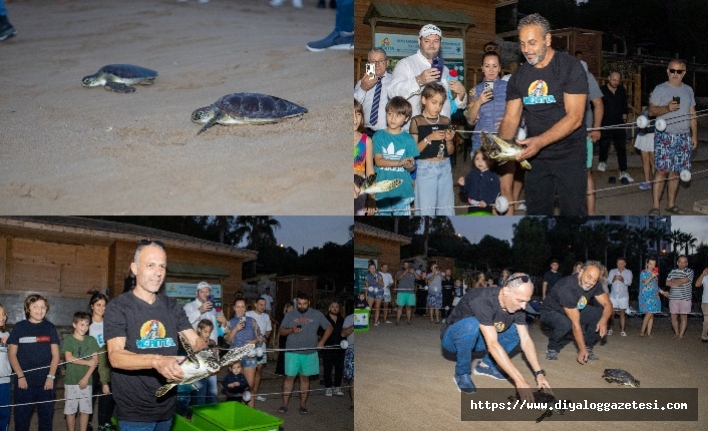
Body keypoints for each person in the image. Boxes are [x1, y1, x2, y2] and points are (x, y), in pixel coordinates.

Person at [105, 240, 205, 431]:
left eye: (162, 266)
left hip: (167, 406)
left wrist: (207, 355)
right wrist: (157, 361)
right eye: (150, 265)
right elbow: (115, 356)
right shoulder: (118, 307)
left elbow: (195, 340)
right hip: (134, 411)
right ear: (135, 268)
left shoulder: (172, 306)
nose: (158, 273)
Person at [497, 13, 588, 216]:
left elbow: (575, 118)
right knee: (537, 213)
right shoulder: (519, 77)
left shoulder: (570, 68)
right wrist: (500, 146)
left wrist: (539, 141)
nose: (526, 50)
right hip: (535, 158)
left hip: (570, 155)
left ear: (548, 39)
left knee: (573, 213)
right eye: (522, 44)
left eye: (532, 43)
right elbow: (511, 118)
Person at [441, 273, 551, 399]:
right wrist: (519, 381)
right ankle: (462, 373)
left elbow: (525, 340)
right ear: (505, 291)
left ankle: (486, 366)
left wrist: (539, 373)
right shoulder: (481, 299)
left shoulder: (518, 306)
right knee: (471, 324)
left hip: (479, 340)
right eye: (520, 300)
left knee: (521, 328)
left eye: (526, 301)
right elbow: (492, 344)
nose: (523, 306)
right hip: (452, 340)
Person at [465, 51, 521, 212]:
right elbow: (470, 120)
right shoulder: (475, 91)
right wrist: (478, 102)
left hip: (504, 143)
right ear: (482, 68)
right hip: (481, 146)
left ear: (500, 68)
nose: (490, 70)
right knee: (483, 194)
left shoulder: (510, 88)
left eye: (494, 66)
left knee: (505, 191)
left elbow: (520, 114)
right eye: (487, 66)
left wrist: (508, 123)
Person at [648, 59, 698, 215]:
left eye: (679, 71)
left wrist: (694, 135)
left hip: (683, 137)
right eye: (672, 71)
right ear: (667, 71)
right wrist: (667, 108)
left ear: (684, 73)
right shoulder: (660, 89)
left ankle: (671, 204)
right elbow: (651, 112)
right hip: (665, 136)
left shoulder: (688, 90)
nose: (675, 74)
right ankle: (656, 206)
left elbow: (692, 114)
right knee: (661, 171)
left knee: (675, 171)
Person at [388, 24, 466, 122]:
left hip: (442, 130)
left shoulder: (446, 70)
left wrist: (461, 94)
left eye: (436, 41)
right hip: (415, 131)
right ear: (419, 41)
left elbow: (450, 105)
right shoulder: (406, 64)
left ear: (441, 43)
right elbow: (392, 92)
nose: (432, 45)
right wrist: (418, 80)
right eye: (427, 41)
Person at [540, 261, 612, 362]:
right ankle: (552, 348)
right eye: (589, 277)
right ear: (581, 272)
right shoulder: (567, 288)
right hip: (550, 311)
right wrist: (581, 349)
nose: (591, 282)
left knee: (598, 314)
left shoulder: (595, 284)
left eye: (595, 279)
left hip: (574, 308)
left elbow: (607, 304)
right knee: (566, 323)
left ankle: (588, 347)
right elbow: (575, 324)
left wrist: (604, 320)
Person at [7, 295, 60, 431]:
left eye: (42, 307)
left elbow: (55, 355)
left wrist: (51, 377)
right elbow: (12, 354)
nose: (39, 310)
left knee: (46, 421)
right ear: (28, 309)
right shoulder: (19, 327)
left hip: (46, 384)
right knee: (21, 420)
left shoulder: (50, 328)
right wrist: (20, 376)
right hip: (23, 384)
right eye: (35, 307)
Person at [278, 292, 333, 415]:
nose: (301, 306)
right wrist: (291, 330)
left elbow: (329, 328)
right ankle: (284, 404)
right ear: (296, 303)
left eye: (304, 304)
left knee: (304, 378)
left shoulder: (316, 314)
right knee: (289, 378)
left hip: (310, 352)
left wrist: (322, 341)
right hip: (292, 352)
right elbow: (281, 331)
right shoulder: (290, 314)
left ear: (309, 302)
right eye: (299, 304)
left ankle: (303, 405)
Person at [409, 82, 455, 216]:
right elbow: (413, 151)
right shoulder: (416, 121)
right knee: (425, 211)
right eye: (434, 102)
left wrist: (449, 140)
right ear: (424, 100)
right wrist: (430, 137)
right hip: (425, 168)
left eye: (441, 103)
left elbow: (450, 151)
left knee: (447, 210)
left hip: (445, 167)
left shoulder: (446, 121)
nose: (438, 107)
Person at [373, 97, 418, 215]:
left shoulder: (409, 139)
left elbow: (411, 166)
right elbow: (378, 161)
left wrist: (410, 165)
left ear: (406, 118)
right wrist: (400, 162)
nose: (393, 118)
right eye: (390, 114)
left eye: (398, 115)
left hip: (402, 190)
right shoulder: (378, 136)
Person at [62, 311, 100, 431]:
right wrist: (86, 362)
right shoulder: (69, 339)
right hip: (71, 381)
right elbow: (69, 358)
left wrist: (86, 377)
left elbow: (95, 361)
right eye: (81, 324)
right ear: (74, 324)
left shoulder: (91, 340)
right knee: (70, 411)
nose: (84, 328)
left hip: (86, 382)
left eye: (87, 325)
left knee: (85, 410)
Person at [224, 297, 263, 408]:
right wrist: (235, 329)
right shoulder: (230, 323)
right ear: (234, 308)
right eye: (238, 307)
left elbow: (261, 337)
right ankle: (238, 410)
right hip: (235, 359)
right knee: (236, 387)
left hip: (249, 357)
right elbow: (227, 341)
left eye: (242, 307)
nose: (240, 309)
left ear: (246, 308)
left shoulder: (252, 321)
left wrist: (254, 341)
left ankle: (250, 412)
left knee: (250, 386)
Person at [597, 71, 632, 183]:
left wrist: (625, 122)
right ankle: (602, 161)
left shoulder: (621, 90)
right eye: (614, 80)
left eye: (618, 80)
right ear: (609, 78)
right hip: (605, 123)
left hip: (619, 124)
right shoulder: (601, 90)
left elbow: (624, 106)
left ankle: (623, 170)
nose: (616, 82)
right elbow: (596, 107)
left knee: (621, 148)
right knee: (604, 144)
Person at [88, 292, 115, 431]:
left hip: (106, 364)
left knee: (107, 393)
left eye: (104, 305)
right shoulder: (86, 324)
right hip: (91, 365)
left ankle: (104, 422)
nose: (101, 308)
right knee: (90, 395)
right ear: (92, 306)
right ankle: (87, 422)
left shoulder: (109, 323)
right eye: (98, 305)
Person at [355, 48, 392, 137]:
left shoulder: (395, 81)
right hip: (364, 131)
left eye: (380, 60)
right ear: (368, 64)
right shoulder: (361, 82)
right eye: (373, 61)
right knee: (360, 151)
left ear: (387, 63)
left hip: (388, 132)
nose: (377, 64)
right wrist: (363, 88)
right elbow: (354, 106)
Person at [582, 65, 604, 215]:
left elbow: (598, 103)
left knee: (587, 172)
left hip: (584, 133)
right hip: (559, 134)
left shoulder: (586, 75)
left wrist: (596, 128)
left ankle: (591, 212)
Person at [457, 147, 500, 215]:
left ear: (490, 160)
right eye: (477, 159)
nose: (479, 162)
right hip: (472, 204)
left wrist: (487, 201)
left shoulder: (493, 176)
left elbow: (495, 191)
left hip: (486, 205)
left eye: (483, 159)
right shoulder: (472, 174)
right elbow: (466, 188)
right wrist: (462, 185)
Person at [246, 297, 272, 402]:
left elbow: (268, 330)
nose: (263, 307)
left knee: (259, 369)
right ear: (255, 304)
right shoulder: (248, 314)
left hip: (262, 347)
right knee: (248, 369)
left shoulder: (266, 316)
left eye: (264, 305)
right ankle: (246, 392)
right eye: (260, 304)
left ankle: (254, 393)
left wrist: (265, 337)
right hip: (249, 347)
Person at [353, 99, 376, 215]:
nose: (355, 118)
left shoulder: (366, 140)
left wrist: (371, 198)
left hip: (360, 190)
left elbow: (370, 171)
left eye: (358, 114)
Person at [665, 255, 694, 339]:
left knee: (683, 316)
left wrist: (673, 281)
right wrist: (679, 282)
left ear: (687, 263)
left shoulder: (690, 271)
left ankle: (681, 335)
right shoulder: (672, 272)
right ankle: (677, 333)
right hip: (673, 297)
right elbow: (667, 283)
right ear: (677, 263)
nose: (682, 264)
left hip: (685, 298)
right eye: (680, 262)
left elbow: (685, 280)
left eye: (684, 262)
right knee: (673, 316)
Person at [193, 319, 218, 405]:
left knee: (213, 397)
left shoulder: (212, 342)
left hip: (211, 374)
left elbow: (215, 358)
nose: (208, 335)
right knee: (200, 398)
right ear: (199, 329)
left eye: (209, 332)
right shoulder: (195, 343)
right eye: (205, 332)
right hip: (200, 374)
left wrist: (214, 354)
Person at [322, 301, 345, 397]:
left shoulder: (342, 319)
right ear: (329, 308)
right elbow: (320, 333)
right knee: (327, 368)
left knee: (339, 368)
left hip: (340, 348)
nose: (335, 308)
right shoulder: (324, 319)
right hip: (328, 348)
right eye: (333, 307)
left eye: (337, 307)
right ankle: (328, 387)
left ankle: (337, 386)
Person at [639, 257, 664, 337]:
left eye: (654, 264)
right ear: (647, 263)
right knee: (648, 314)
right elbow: (644, 283)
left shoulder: (655, 275)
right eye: (650, 264)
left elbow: (656, 286)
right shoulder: (643, 272)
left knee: (652, 315)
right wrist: (651, 276)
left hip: (654, 296)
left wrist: (663, 292)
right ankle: (642, 332)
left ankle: (649, 333)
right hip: (646, 296)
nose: (652, 266)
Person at [607, 257, 632, 336]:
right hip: (613, 295)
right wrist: (613, 279)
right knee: (611, 312)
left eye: (621, 263)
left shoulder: (628, 272)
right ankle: (610, 328)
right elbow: (608, 281)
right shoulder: (612, 271)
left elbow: (629, 283)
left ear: (625, 264)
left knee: (622, 313)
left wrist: (622, 280)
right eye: (618, 263)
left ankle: (623, 330)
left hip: (623, 295)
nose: (620, 265)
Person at [634, 106, 656, 190]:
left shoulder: (659, 109)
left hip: (653, 136)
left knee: (653, 160)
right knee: (645, 160)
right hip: (643, 136)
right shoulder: (646, 109)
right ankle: (647, 182)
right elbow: (641, 123)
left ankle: (656, 182)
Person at [275, 303, 294, 376]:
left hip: (291, 337)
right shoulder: (283, 317)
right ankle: (280, 371)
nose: (291, 309)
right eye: (290, 308)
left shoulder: (294, 318)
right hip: (284, 337)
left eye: (292, 308)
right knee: (282, 354)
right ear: (286, 309)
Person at [0, 304, 11, 431]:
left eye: (3, 314)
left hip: (4, 381)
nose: (2, 317)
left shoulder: (7, 336)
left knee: (3, 413)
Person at [342, 312, 355, 412]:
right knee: (353, 380)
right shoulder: (349, 318)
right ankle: (354, 403)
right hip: (352, 350)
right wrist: (356, 324)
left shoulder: (371, 317)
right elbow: (343, 333)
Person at [696, 267, 708, 343]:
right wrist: (702, 275)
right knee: (707, 321)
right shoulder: (705, 277)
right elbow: (697, 284)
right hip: (706, 301)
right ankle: (704, 337)